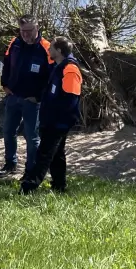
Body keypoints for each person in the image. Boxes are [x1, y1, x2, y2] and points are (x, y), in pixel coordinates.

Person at [21, 38, 83, 195]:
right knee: (57, 154)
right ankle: (59, 186)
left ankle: (29, 187)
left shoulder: (70, 69)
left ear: (59, 51)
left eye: (51, 48)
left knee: (43, 154)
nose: (49, 50)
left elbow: (71, 99)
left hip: (58, 122)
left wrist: (57, 121)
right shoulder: (59, 66)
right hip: (52, 119)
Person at [0, 15, 53, 177]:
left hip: (32, 101)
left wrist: (39, 97)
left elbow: (52, 77)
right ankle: (10, 164)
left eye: (29, 30)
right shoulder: (14, 43)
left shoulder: (47, 48)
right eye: (23, 31)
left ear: (37, 28)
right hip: (13, 96)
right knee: (8, 131)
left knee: (32, 136)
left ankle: (31, 170)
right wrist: (5, 84)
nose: (26, 34)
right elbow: (7, 64)